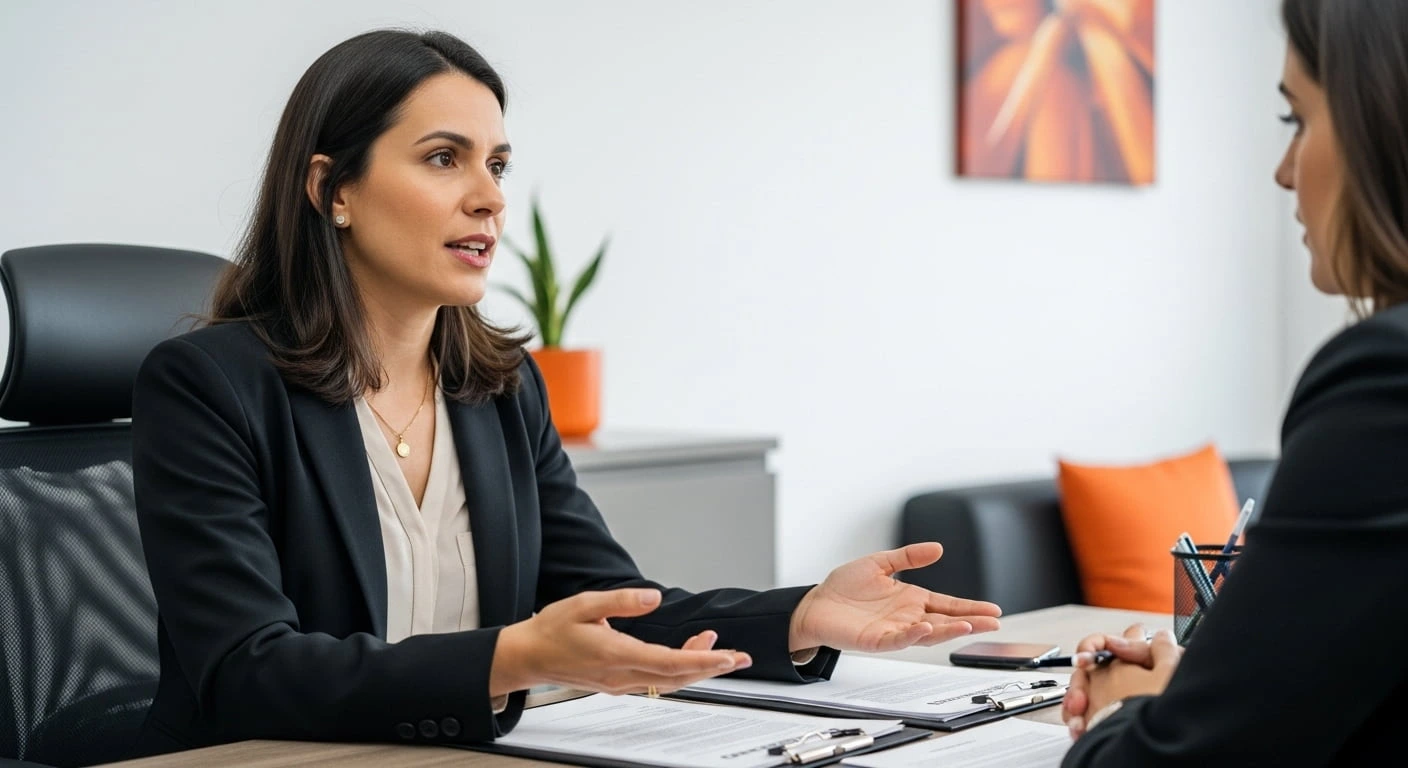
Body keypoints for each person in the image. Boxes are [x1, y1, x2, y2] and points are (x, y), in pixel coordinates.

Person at [130, 29, 1002, 755]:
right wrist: (504, 659)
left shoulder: (499, 389)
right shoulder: (210, 386)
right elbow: (249, 672)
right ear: (333, 189)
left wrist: (804, 614)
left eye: (498, 166)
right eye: (444, 159)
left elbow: (617, 608)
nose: (488, 199)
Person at [1059, 0, 1408, 764]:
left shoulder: (1386, 381)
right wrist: (1214, 685)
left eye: (1298, 122)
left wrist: (1134, 715)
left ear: (1386, 127)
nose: (1283, 173)